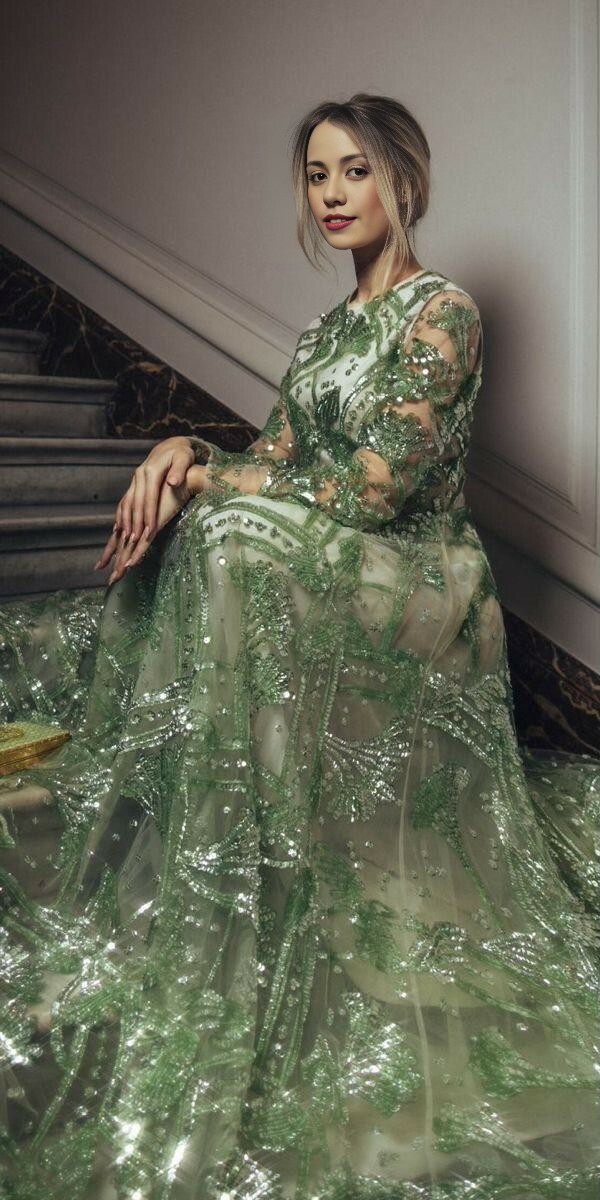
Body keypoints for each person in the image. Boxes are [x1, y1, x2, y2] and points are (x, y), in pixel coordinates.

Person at [0, 92, 599, 1200]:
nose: (331, 194)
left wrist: (201, 472)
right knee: (208, 530)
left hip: (423, 578)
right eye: (317, 175)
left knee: (227, 532)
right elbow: (280, 458)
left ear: (403, 181)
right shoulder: (327, 333)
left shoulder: (444, 312)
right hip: (343, 561)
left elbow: (374, 491)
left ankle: (248, 841)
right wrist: (184, 446)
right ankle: (224, 821)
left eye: (354, 171)